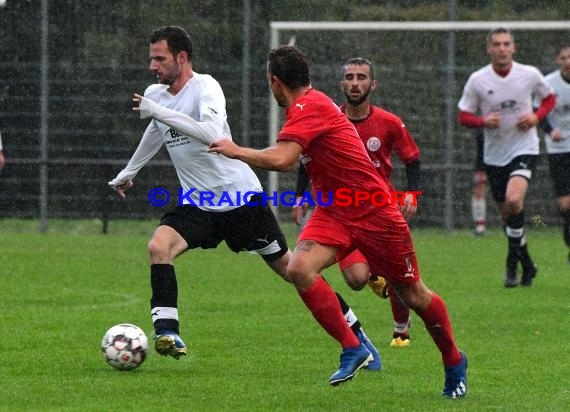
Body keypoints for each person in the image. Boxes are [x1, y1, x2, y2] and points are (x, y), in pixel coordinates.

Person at [108, 26, 381, 370]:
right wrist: (131, 171)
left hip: (241, 200)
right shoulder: (156, 95)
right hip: (199, 203)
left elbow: (210, 133)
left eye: (159, 58)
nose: (152, 66)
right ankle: (167, 331)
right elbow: (156, 130)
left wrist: (157, 111)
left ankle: (358, 337)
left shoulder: (206, 88)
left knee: (292, 270)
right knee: (159, 246)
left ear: (181, 58)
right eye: (151, 58)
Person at [208, 45, 467, 397]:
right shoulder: (306, 107)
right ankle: (353, 347)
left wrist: (236, 150)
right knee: (299, 269)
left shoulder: (308, 107)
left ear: (274, 81)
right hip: (334, 209)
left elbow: (284, 159)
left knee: (414, 295)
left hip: (376, 211)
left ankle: (453, 360)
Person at [294, 57, 420, 347]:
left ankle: (401, 330)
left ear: (372, 84)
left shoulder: (388, 123)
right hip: (340, 211)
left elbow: (412, 158)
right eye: (349, 77)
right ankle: (377, 273)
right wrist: (300, 195)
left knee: (400, 273)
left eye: (361, 77)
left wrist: (411, 193)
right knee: (356, 279)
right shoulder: (326, 118)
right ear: (341, 84)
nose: (354, 83)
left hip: (380, 208)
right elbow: (305, 158)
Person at [458, 27, 556, 288]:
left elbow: (549, 98)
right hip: (494, 154)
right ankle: (528, 263)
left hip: (525, 147)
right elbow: (463, 115)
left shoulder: (529, 74)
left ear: (514, 47)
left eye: (506, 44)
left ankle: (511, 266)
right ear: (489, 48)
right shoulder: (478, 79)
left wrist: (536, 117)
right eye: (497, 44)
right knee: (508, 216)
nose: (502, 48)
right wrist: (482, 121)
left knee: (514, 200)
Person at [540, 44, 570, 264]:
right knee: (566, 204)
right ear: (558, 60)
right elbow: (539, 113)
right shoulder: (549, 84)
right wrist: (551, 131)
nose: (568, 61)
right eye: (564, 57)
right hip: (559, 149)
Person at [472, 129, 487, 236]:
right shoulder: (483, 126)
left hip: (502, 162)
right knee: (479, 191)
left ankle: (510, 224)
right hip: (483, 163)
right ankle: (480, 225)